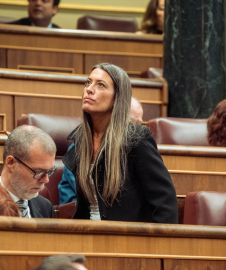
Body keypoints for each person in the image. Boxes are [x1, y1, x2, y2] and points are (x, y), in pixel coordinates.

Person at [62, 63, 178, 223]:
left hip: (126, 239)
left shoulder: (136, 138)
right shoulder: (81, 140)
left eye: (100, 85)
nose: (89, 89)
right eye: (88, 82)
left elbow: (165, 202)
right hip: (87, 236)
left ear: (117, 99)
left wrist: (159, 244)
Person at [58, 97, 144, 205]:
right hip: (78, 214)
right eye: (131, 122)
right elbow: (92, 193)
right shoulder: (81, 148)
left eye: (138, 123)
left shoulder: (134, 149)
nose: (134, 129)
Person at [0, 125, 56, 218]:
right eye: (39, 171)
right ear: (11, 163)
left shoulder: (45, 207)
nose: (46, 180)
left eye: (50, 171)